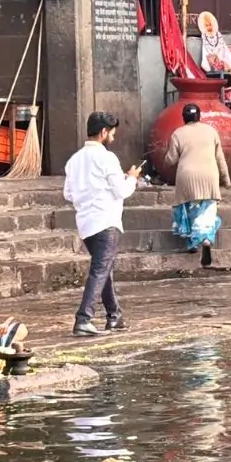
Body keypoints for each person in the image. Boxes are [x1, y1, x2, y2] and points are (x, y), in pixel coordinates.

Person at [63, 110, 141, 337]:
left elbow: (68, 193)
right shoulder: (107, 158)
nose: (113, 139)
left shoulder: (74, 160)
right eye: (112, 134)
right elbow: (122, 191)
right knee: (100, 270)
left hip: (86, 223)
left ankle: (114, 316)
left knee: (103, 268)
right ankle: (83, 318)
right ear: (104, 132)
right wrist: (132, 178)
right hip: (106, 220)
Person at [164, 103, 231, 268]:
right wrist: (226, 179)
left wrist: (165, 154)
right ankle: (206, 239)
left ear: (184, 117)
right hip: (209, 176)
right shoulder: (211, 131)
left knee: (189, 210)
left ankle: (192, 244)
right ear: (199, 116)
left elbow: (170, 160)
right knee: (207, 210)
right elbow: (220, 158)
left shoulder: (178, 134)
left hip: (186, 177)